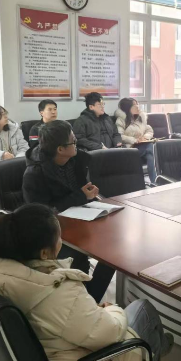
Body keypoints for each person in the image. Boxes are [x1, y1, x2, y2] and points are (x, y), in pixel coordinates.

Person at [0, 203, 173, 361]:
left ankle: (158, 345)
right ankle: (155, 353)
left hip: (57, 354)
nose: (61, 241)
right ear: (44, 253)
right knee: (144, 309)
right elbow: (109, 333)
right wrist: (113, 309)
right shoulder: (55, 290)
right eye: (59, 237)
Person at [23, 120, 114, 302]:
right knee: (77, 259)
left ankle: (90, 300)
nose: (76, 144)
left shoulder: (77, 160)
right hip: (53, 232)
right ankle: (85, 302)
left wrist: (89, 194)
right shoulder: (34, 174)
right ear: (60, 149)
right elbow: (41, 213)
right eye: (73, 141)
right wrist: (80, 196)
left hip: (81, 220)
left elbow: (81, 192)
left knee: (112, 253)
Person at [115, 98, 156, 182]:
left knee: (151, 150)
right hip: (129, 148)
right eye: (134, 105)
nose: (138, 106)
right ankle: (155, 181)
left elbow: (149, 130)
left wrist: (145, 137)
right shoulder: (121, 120)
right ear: (128, 108)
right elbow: (119, 136)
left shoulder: (141, 118)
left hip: (142, 146)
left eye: (138, 104)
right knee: (150, 149)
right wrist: (134, 140)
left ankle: (154, 181)